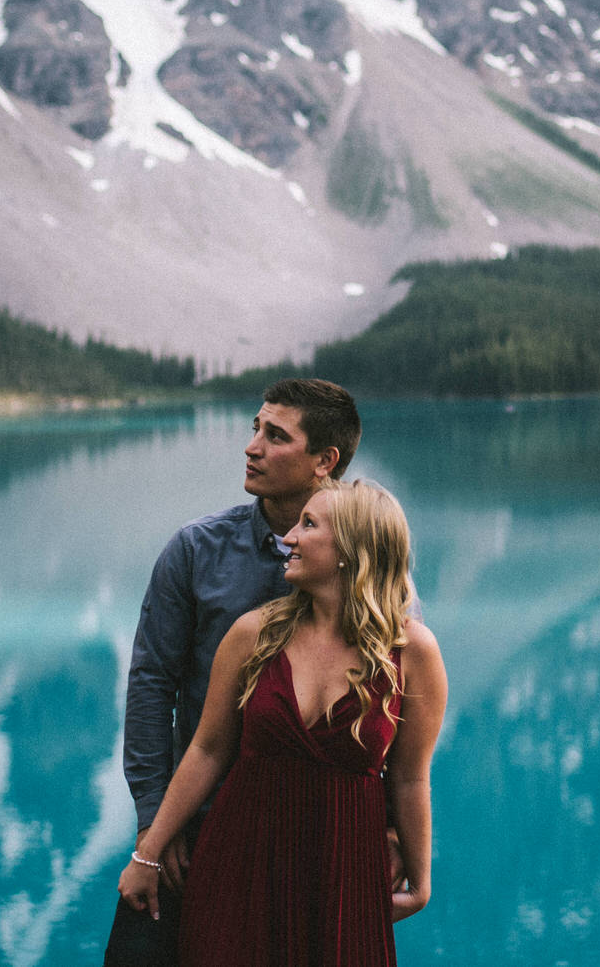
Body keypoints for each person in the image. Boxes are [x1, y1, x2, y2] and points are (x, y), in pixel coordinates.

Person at [117, 479, 447, 967]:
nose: (289, 537)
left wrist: (421, 879)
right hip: (240, 861)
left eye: (308, 525)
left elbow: (410, 775)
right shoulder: (254, 634)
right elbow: (207, 751)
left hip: (344, 872)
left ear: (350, 550)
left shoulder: (413, 653)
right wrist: (148, 852)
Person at [104, 379, 365, 967]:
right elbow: (151, 686)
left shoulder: (374, 574)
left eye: (275, 437)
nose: (252, 447)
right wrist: (154, 823)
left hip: (316, 844)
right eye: (255, 429)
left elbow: (393, 704)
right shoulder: (196, 550)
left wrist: (393, 834)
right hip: (193, 829)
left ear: (326, 461)